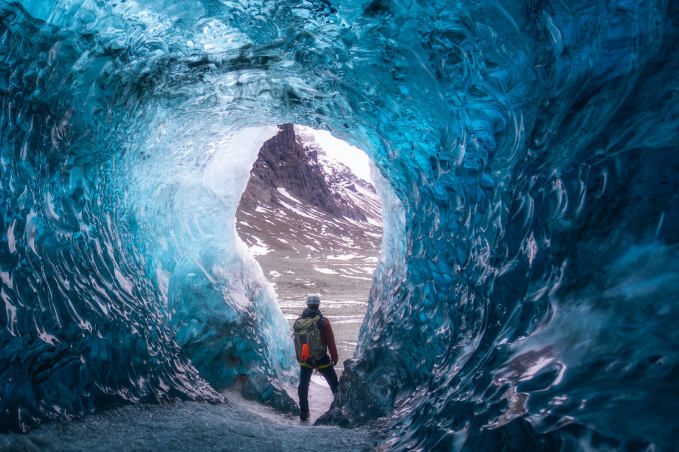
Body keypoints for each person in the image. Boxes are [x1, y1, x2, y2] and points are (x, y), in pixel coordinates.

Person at [292, 295, 339, 421]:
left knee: (303, 385)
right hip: (321, 358)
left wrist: (299, 357)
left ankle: (304, 412)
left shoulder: (299, 321)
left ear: (307, 305)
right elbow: (330, 342)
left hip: (305, 358)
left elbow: (297, 342)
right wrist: (334, 357)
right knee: (334, 383)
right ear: (318, 305)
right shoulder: (324, 321)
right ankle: (341, 406)